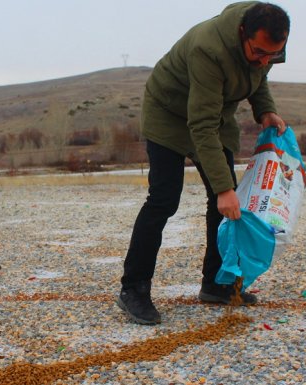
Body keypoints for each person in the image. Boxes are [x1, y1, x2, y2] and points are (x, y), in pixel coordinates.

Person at [117, 1, 290, 325]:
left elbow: (258, 76)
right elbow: (201, 125)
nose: (266, 59)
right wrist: (224, 187)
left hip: (212, 114)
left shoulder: (265, 41)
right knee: (164, 199)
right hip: (169, 114)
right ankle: (133, 289)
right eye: (259, 51)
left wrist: (264, 108)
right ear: (242, 33)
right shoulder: (208, 50)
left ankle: (216, 284)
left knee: (223, 201)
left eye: (273, 54)